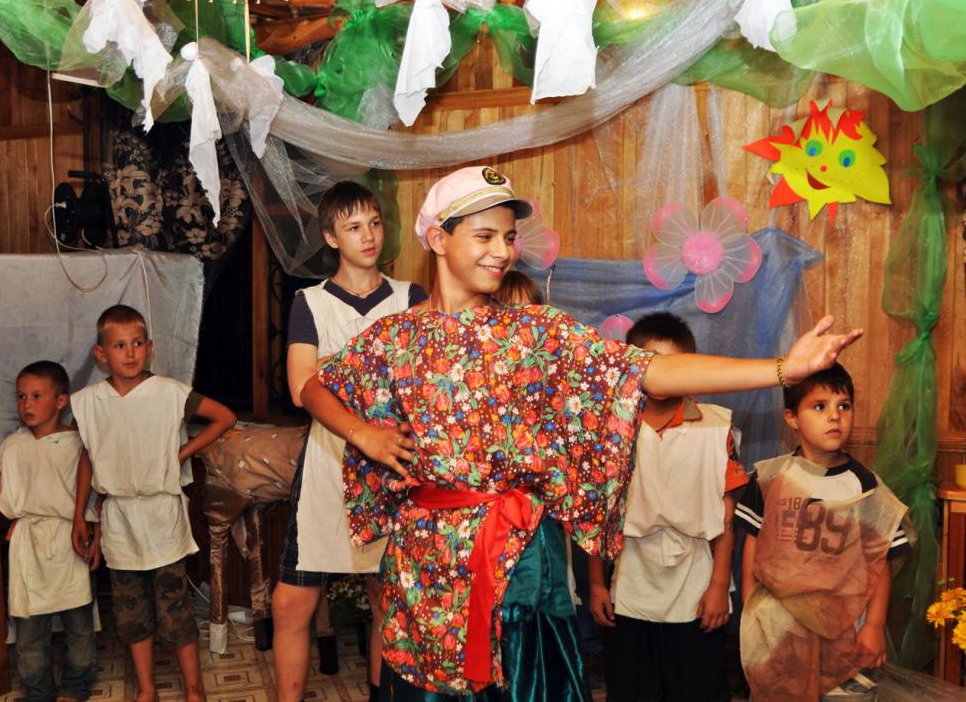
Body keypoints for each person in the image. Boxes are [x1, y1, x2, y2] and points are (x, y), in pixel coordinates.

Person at [300, 165, 862, 700]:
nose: (502, 251)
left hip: (520, 561)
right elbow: (316, 387)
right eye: (484, 236)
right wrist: (361, 433)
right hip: (426, 563)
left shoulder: (537, 332)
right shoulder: (394, 337)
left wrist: (782, 369)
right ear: (437, 239)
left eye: (509, 237)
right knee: (426, 684)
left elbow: (648, 371)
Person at [273, 180, 428, 702]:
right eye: (354, 227)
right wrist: (368, 382)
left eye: (375, 224)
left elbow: (421, 381)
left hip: (394, 463)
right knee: (291, 603)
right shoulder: (310, 302)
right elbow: (302, 386)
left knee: (388, 598)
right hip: (328, 461)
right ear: (331, 237)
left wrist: (337, 367)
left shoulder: (410, 298)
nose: (368, 236)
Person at [70, 305, 236, 702]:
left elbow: (225, 417)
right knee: (131, 612)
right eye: (119, 345)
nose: (129, 353)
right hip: (119, 520)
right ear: (101, 354)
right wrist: (80, 515)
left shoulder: (170, 393)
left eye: (137, 343)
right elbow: (88, 457)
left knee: (174, 608)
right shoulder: (88, 402)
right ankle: (147, 689)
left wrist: (180, 454)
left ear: (150, 347)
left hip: (162, 518)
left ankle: (194, 689)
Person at [586, 313, 748, 701]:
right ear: (630, 364)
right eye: (651, 363)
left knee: (697, 688)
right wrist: (596, 583)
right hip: (632, 581)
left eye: (674, 366)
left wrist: (718, 586)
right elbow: (595, 515)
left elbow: (726, 519)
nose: (663, 375)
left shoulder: (714, 428)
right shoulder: (609, 428)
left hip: (695, 580)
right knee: (632, 688)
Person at [735, 363, 911, 701]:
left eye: (844, 406)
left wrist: (874, 625)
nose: (835, 416)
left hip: (845, 633)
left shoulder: (865, 485)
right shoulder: (772, 479)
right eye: (820, 406)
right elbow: (753, 549)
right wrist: (751, 613)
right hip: (780, 630)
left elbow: (879, 562)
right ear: (792, 418)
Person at [0, 361, 100, 702]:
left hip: (69, 540)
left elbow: (94, 495)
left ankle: (75, 685)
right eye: (21, 397)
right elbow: (0, 486)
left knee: (79, 622)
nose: (26, 404)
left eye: (36, 396)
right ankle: (38, 690)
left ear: (61, 401)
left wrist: (96, 538)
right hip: (27, 543)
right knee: (29, 627)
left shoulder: (77, 444)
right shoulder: (13, 445)